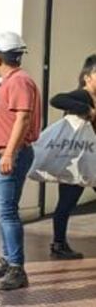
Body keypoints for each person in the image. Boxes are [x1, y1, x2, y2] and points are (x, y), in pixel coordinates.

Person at [0, 32, 42, 291]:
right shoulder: (8, 83)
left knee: (7, 213)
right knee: (5, 212)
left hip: (7, 155)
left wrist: (8, 153)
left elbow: (23, 119)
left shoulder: (19, 81)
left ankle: (16, 268)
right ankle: (8, 260)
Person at [48, 54, 96, 260]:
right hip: (76, 159)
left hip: (91, 158)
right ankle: (58, 244)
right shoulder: (82, 96)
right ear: (88, 77)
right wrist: (87, 110)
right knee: (66, 202)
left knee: (66, 202)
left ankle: (59, 243)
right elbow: (56, 99)